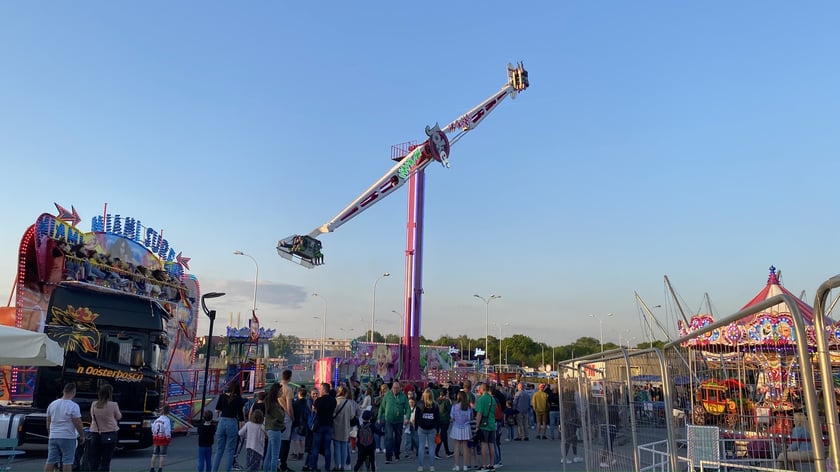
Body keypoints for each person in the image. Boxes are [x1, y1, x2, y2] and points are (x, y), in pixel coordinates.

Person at [45, 382, 86, 472]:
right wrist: (82, 435)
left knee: (51, 460)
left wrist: (50, 433)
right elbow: (77, 422)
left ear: (63, 391)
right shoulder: (73, 406)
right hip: (68, 436)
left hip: (54, 436)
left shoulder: (52, 404)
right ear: (74, 392)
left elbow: (48, 421)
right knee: (67, 461)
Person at [303, 382, 337, 472]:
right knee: (327, 448)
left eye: (320, 389)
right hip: (329, 425)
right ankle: (327, 468)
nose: (319, 390)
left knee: (315, 448)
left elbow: (314, 411)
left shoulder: (318, 400)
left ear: (324, 390)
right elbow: (333, 412)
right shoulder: (333, 400)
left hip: (319, 426)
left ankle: (314, 467)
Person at [87, 384, 122, 471]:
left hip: (95, 432)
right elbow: (118, 417)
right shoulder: (113, 404)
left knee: (95, 459)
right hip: (110, 432)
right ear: (110, 394)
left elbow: (92, 416)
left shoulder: (94, 404)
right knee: (106, 460)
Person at [213, 383, 247, 472]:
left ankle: (214, 470)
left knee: (219, 449)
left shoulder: (222, 396)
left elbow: (217, 410)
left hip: (222, 421)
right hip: (232, 422)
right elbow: (240, 414)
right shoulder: (238, 399)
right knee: (231, 450)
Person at [378, 381, 409, 465]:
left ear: (400, 388)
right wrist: (379, 417)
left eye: (397, 388)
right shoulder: (387, 395)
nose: (395, 390)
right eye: (394, 388)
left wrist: (407, 418)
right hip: (389, 420)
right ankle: (388, 457)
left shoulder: (403, 396)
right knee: (389, 438)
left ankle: (397, 453)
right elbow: (382, 407)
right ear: (392, 388)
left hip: (399, 421)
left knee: (398, 438)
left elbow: (407, 408)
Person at [333, 385, 358, 471]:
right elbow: (352, 416)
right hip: (346, 428)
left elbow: (332, 414)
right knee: (344, 447)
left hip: (336, 427)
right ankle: (343, 466)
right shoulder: (348, 403)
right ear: (346, 393)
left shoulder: (335, 401)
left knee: (337, 447)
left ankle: (337, 465)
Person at [414, 389, 440, 472]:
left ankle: (420, 466)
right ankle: (432, 466)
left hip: (421, 428)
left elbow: (416, 417)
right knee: (431, 448)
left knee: (421, 447)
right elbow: (437, 418)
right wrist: (437, 429)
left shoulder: (419, 404)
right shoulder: (435, 405)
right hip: (432, 428)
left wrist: (416, 427)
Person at [473, 383, 496, 472]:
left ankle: (484, 465)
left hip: (484, 425)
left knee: (484, 445)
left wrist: (477, 425)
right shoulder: (492, 399)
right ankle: (492, 465)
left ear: (482, 389)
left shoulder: (481, 399)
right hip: (492, 423)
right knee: (491, 444)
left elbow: (479, 413)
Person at [264, 383, 286, 472]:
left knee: (269, 455)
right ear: (276, 391)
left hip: (270, 429)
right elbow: (281, 416)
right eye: (280, 391)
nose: (281, 392)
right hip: (275, 429)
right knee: (275, 456)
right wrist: (283, 411)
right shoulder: (274, 404)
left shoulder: (269, 402)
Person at [449, 391, 472, 472]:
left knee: (457, 446)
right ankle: (465, 465)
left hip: (456, 427)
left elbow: (452, 418)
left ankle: (457, 465)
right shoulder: (468, 407)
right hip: (466, 427)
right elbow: (470, 418)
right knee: (465, 447)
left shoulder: (454, 406)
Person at [279, 370, 296, 472]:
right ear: (289, 377)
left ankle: (277, 463)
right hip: (286, 416)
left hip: (277, 415)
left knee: (278, 441)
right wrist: (292, 417)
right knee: (285, 442)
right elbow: (289, 407)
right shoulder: (288, 389)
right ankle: (283, 464)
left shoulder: (277, 387)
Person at [151, 404, 172, 472]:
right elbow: (167, 430)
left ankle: (152, 468)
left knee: (154, 454)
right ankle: (160, 469)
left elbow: (153, 428)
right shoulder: (167, 420)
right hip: (163, 438)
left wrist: (154, 434)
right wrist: (168, 437)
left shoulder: (157, 419)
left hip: (156, 437)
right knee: (162, 455)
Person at [434, 389, 453, 459]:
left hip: (438, 419)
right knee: (443, 436)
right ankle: (436, 452)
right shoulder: (447, 401)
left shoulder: (436, 401)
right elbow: (450, 410)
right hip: (445, 419)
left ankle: (447, 451)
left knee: (444, 435)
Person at [292, 388, 309, 460]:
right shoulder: (307, 402)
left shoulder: (296, 403)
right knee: (302, 439)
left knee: (296, 439)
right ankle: (301, 453)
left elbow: (293, 412)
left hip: (297, 422)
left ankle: (295, 453)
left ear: (299, 394)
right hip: (304, 423)